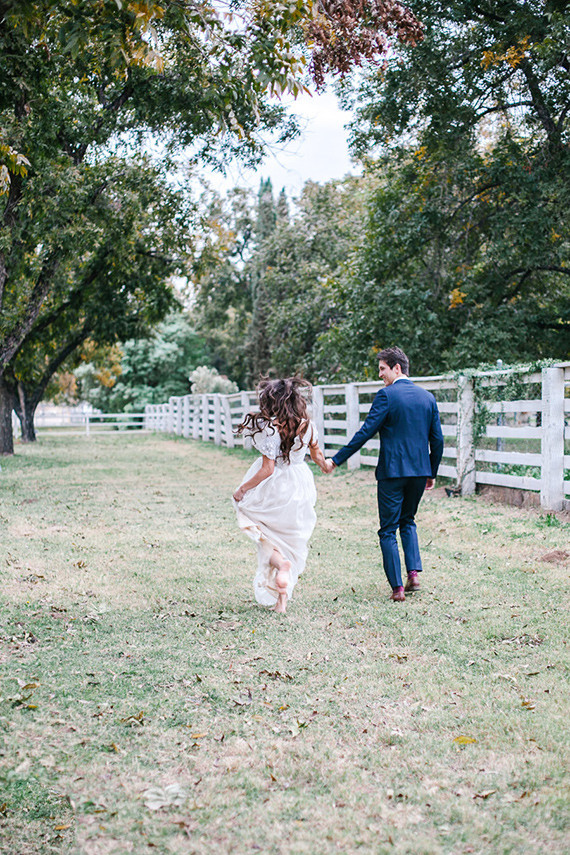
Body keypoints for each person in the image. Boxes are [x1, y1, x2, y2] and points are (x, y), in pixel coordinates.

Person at [323, 347, 444, 602]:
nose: (380, 375)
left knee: (388, 529)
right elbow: (438, 440)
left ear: (396, 368)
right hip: (419, 472)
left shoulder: (386, 396)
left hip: (392, 473)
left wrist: (336, 459)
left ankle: (398, 589)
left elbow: (366, 431)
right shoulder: (427, 398)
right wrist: (431, 471)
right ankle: (413, 574)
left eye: (382, 369)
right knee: (408, 520)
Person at [233, 377, 329, 613]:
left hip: (274, 487)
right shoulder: (308, 426)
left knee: (262, 533)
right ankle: (281, 601)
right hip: (300, 485)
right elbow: (317, 456)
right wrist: (326, 465)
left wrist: (243, 488)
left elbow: (268, 469)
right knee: (290, 539)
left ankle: (281, 565)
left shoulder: (271, 429)